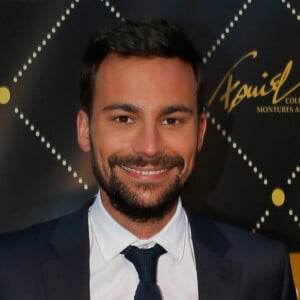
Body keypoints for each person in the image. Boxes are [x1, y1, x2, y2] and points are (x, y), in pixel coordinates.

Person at [0, 19, 297, 300]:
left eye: (171, 120)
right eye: (124, 118)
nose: (150, 148)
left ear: (201, 132)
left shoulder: (263, 270)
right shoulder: (11, 270)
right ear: (84, 130)